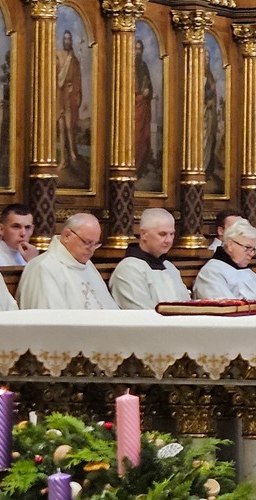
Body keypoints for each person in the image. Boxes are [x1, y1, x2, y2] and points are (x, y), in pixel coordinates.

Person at [17, 213, 117, 309]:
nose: (92, 249)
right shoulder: (43, 267)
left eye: (95, 244)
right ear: (67, 236)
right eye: (87, 242)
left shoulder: (89, 266)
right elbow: (46, 318)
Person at [110, 208, 190, 309]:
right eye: (162, 234)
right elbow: (140, 313)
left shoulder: (170, 267)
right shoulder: (129, 269)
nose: (169, 240)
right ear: (144, 234)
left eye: (172, 234)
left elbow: (187, 305)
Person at [193, 219, 256, 310]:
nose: (251, 254)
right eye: (247, 248)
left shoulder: (249, 273)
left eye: (254, 249)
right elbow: (226, 309)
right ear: (230, 245)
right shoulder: (211, 273)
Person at [56, 30, 83, 171]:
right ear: (63, 40)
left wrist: (76, 92)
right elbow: (54, 75)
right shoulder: (58, 55)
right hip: (59, 95)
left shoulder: (74, 59)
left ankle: (72, 151)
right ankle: (63, 159)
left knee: (69, 126)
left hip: (69, 96)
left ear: (71, 41)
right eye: (65, 39)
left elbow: (78, 79)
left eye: (69, 39)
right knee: (61, 128)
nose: (67, 41)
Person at [134, 40, 155, 179]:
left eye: (140, 49)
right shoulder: (130, 66)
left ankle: (141, 168)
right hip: (134, 106)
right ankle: (133, 168)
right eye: (136, 49)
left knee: (145, 137)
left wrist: (148, 91)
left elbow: (150, 86)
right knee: (135, 137)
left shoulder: (144, 66)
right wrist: (139, 96)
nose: (138, 51)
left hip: (144, 107)